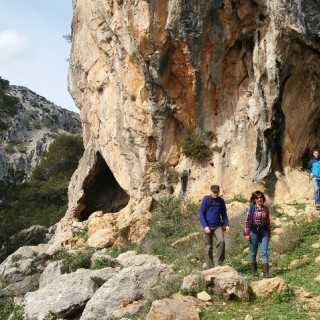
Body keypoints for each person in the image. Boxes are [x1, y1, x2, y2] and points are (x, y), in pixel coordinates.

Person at [199, 185, 230, 269]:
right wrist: (205, 226)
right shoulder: (206, 200)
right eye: (214, 192)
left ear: (219, 191)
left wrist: (227, 224)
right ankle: (210, 267)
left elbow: (224, 214)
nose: (215, 193)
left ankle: (218, 263)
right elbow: (201, 214)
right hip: (207, 226)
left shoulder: (221, 201)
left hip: (218, 226)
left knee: (221, 241)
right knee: (208, 248)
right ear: (211, 191)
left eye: (217, 192)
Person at [243, 190, 272, 278]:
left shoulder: (265, 208)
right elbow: (247, 221)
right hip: (254, 232)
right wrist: (247, 233)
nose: (260, 199)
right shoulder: (251, 208)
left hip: (264, 232)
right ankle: (253, 272)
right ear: (255, 199)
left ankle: (265, 273)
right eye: (257, 197)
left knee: (264, 252)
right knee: (253, 252)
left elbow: (268, 222)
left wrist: (269, 233)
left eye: (261, 197)